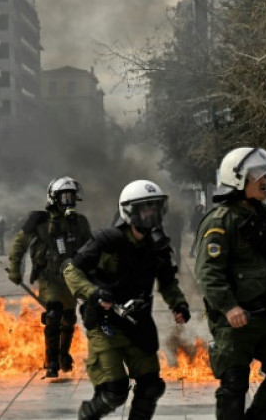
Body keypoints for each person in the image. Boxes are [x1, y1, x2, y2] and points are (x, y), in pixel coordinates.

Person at [63, 179, 189, 420]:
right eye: (146, 208)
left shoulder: (157, 247)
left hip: (138, 324)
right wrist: (94, 293)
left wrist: (178, 304)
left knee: (151, 387)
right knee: (114, 393)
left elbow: (168, 282)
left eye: (155, 207)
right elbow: (71, 270)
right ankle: (86, 416)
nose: (151, 214)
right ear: (130, 211)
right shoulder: (107, 240)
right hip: (105, 325)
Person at [194, 147, 266, 419]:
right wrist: (229, 307)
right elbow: (208, 272)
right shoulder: (221, 221)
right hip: (234, 322)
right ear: (238, 179)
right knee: (234, 384)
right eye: (258, 174)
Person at [8, 176, 92, 378]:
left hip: (71, 278)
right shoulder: (39, 221)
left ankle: (64, 356)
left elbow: (91, 248)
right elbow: (19, 244)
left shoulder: (80, 223)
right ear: (54, 198)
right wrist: (15, 269)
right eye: (64, 197)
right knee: (54, 315)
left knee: (69, 319)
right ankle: (51, 360)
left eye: (71, 197)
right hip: (49, 277)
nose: (68, 201)